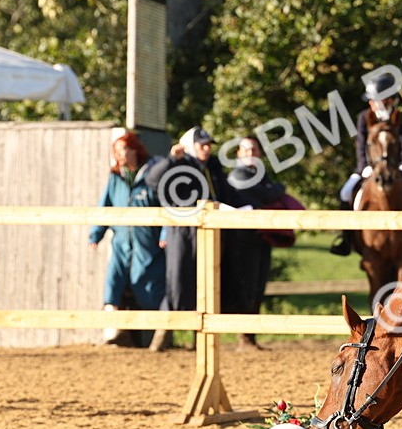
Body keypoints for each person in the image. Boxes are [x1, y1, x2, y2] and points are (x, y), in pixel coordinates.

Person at [145, 126, 231, 351]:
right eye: (202, 144)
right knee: (177, 280)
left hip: (209, 230)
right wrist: (172, 160)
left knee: (206, 281)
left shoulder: (211, 167)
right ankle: (162, 335)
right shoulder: (180, 164)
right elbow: (152, 180)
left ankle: (200, 339)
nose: (206, 148)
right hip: (182, 231)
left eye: (208, 145)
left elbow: (225, 193)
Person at [331, 73, 402, 256]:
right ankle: (345, 238)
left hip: (399, 166)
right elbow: (361, 144)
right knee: (345, 192)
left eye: (374, 99)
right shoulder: (365, 117)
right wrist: (365, 166)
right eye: (371, 100)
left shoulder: (400, 117)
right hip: (369, 167)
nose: (371, 103)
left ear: (387, 99)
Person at [88, 128, 166, 347]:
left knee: (146, 286)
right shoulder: (115, 177)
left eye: (123, 150)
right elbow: (106, 205)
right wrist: (97, 232)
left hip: (147, 243)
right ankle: (117, 333)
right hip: (121, 242)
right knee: (114, 284)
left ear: (134, 150)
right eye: (116, 151)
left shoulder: (151, 175)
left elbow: (166, 206)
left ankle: (155, 338)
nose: (119, 155)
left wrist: (165, 232)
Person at [226, 135, 286, 350]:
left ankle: (250, 337)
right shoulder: (239, 175)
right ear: (239, 154)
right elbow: (266, 194)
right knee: (246, 286)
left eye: (254, 149)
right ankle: (244, 336)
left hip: (260, 238)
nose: (251, 153)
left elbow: (265, 194)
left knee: (258, 287)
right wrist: (278, 189)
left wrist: (272, 192)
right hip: (243, 240)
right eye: (246, 150)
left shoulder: (259, 174)